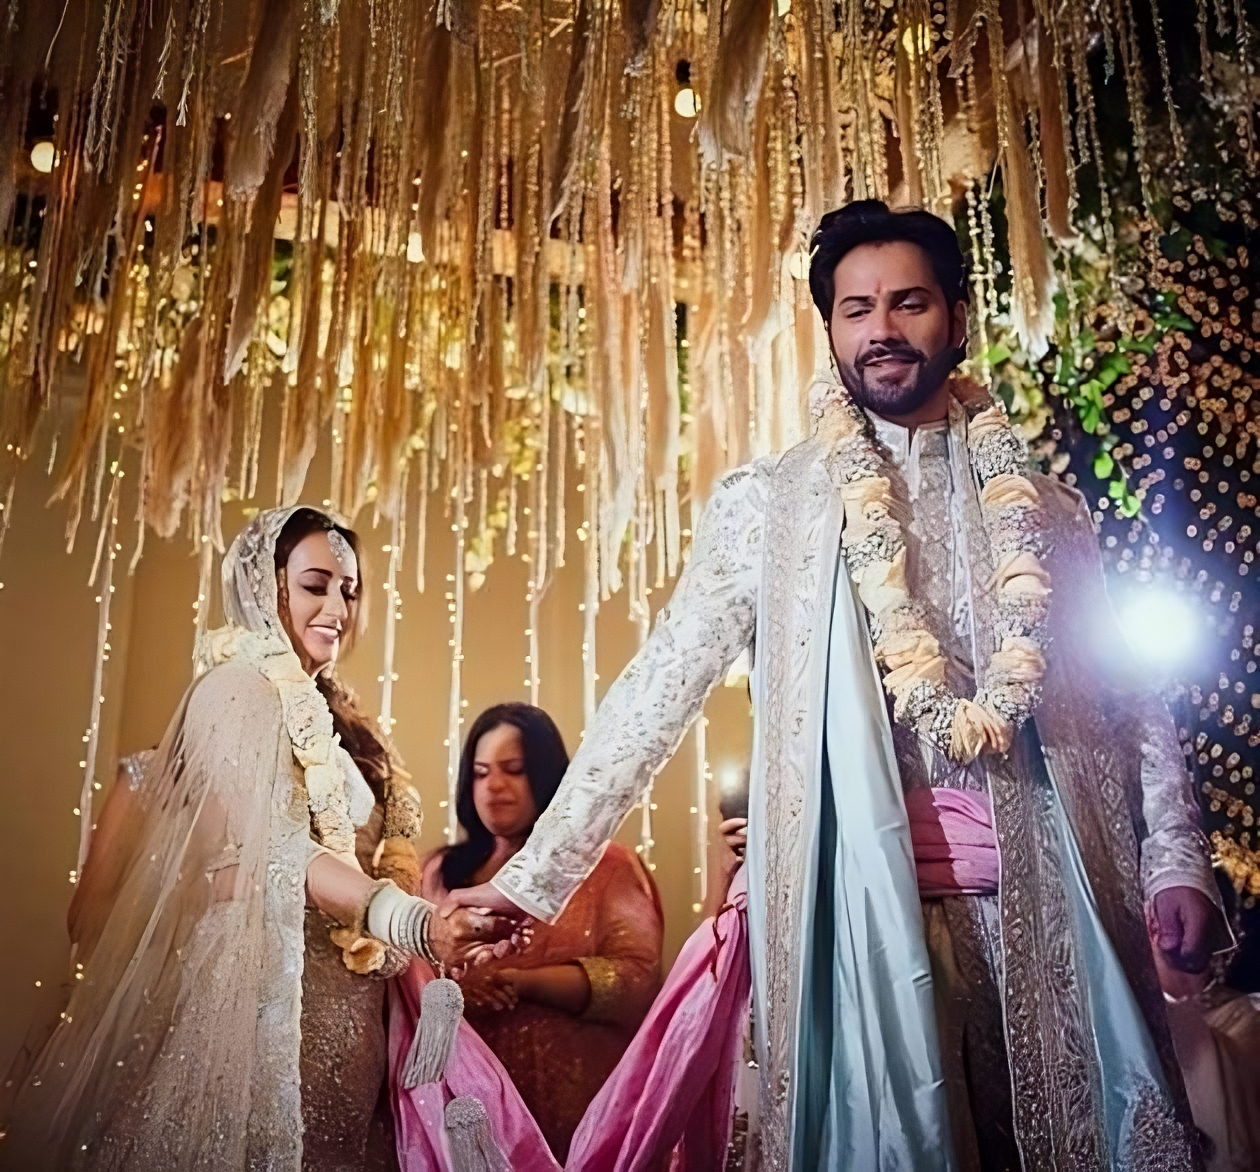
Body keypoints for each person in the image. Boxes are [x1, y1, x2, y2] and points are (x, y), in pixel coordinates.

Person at [444, 201, 1231, 1171]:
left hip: (1045, 900)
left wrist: (1177, 862)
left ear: (958, 314)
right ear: (831, 330)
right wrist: (537, 873)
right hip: (856, 909)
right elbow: (656, 691)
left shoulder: (1050, 513)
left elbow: (1129, 700)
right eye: (856, 310)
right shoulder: (769, 508)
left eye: (907, 303)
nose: (882, 330)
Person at [0, 506, 515, 1171]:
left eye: (349, 591)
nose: (338, 607)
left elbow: (366, 854)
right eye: (315, 584)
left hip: (354, 1019)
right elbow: (280, 852)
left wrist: (434, 920)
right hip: (263, 1006)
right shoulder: (236, 691)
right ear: (264, 585)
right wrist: (412, 923)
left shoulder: (346, 728)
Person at [420, 703, 662, 1161]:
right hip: (464, 1121)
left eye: (513, 770)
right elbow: (408, 984)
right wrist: (459, 992)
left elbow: (638, 980)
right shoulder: (440, 872)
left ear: (548, 775)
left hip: (581, 1122)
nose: (493, 786)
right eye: (480, 772)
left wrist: (525, 983)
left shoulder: (602, 865)